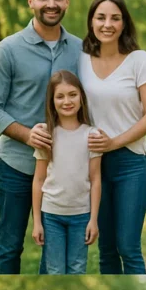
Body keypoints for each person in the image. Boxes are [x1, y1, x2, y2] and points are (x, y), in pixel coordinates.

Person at [0, 0, 83, 274]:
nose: (51, 3)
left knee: (54, 250)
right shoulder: (7, 50)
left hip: (64, 170)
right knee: (10, 244)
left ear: (67, 3)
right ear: (31, 2)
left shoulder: (81, 50)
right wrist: (27, 135)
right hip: (16, 164)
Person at [78, 0, 146, 274]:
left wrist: (114, 142)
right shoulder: (80, 60)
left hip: (131, 163)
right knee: (106, 250)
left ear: (124, 23)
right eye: (101, 17)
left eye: (115, 18)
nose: (107, 24)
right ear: (91, 22)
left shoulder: (139, 60)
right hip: (92, 164)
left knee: (128, 247)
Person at [31, 70, 101, 274]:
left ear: (81, 97)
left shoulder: (92, 135)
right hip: (52, 215)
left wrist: (93, 220)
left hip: (81, 215)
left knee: (77, 268)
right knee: (54, 269)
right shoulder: (46, 134)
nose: (67, 101)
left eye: (72, 94)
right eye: (59, 96)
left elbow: (96, 179)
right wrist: (37, 222)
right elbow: (38, 180)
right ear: (51, 101)